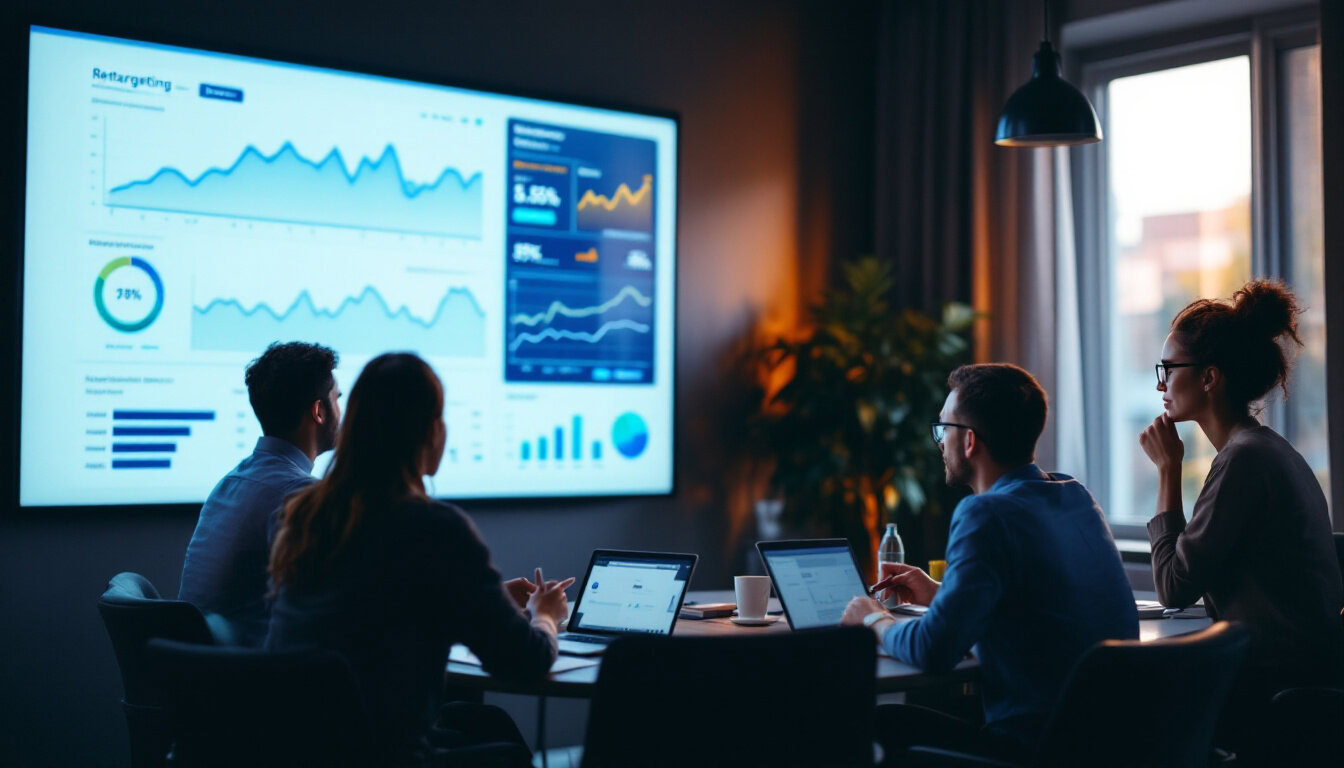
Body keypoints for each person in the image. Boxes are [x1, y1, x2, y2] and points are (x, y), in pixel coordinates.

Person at [266, 352, 571, 767]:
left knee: (487, 723)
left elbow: (384, 611)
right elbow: (526, 660)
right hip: (383, 755)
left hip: (301, 749)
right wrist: (545, 615)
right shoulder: (435, 528)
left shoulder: (304, 517)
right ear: (431, 432)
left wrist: (485, 598)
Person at [842, 363, 1138, 762]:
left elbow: (934, 650)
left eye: (943, 429)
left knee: (875, 723)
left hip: (1035, 749)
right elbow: (1032, 605)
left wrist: (871, 618)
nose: (939, 443)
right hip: (1105, 744)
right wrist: (941, 595)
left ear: (968, 442)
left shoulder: (985, 513)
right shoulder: (1075, 496)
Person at [1139, 280, 1344, 763]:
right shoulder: (1268, 450)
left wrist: (1168, 471)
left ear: (1209, 378)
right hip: (1306, 681)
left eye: (1169, 369)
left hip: (1272, 691)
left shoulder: (1244, 461)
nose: (1161, 384)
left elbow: (1173, 586)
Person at [179, 341, 340, 646]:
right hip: (253, 683)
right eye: (336, 399)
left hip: (203, 676)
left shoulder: (232, 481)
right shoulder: (299, 496)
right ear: (319, 410)